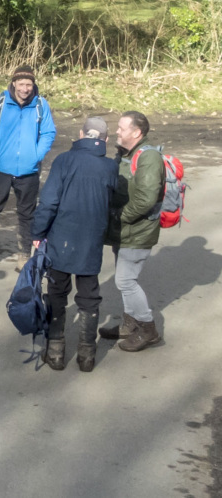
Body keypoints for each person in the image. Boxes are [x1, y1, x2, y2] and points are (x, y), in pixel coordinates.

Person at [31, 117, 118, 372]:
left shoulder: (64, 161)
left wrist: (38, 232)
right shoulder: (110, 167)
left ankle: (56, 352)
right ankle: (87, 356)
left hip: (61, 238)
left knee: (57, 293)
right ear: (106, 139)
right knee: (89, 296)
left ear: (80, 134)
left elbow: (48, 202)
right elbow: (112, 204)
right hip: (92, 238)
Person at [0, 65, 57, 276]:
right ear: (14, 83)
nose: (25, 89)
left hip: (29, 171)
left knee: (27, 215)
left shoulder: (41, 105)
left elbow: (49, 132)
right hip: (1, 170)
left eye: (29, 84)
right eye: (22, 84)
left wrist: (36, 155)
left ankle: (24, 256)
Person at [99, 111, 165, 352]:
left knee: (125, 280)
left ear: (136, 133)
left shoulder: (148, 158)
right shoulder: (126, 154)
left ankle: (148, 330)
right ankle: (130, 324)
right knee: (125, 279)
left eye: (122, 128)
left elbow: (147, 198)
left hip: (137, 230)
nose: (117, 131)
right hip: (124, 231)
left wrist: (122, 217)